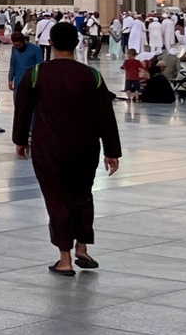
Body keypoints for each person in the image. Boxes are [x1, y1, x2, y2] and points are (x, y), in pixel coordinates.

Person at [14, 22, 122, 276]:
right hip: (85, 146)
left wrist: (20, 140)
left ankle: (65, 259)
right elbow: (105, 115)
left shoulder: (37, 73)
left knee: (57, 199)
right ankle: (82, 247)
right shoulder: (91, 75)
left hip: (49, 146)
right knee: (82, 195)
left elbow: (23, 110)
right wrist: (112, 151)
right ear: (77, 43)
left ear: (50, 43)